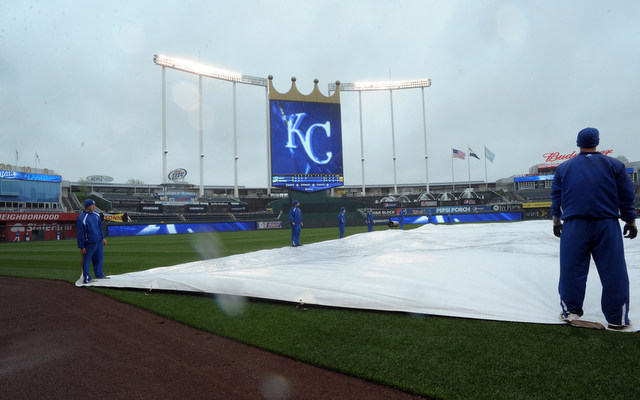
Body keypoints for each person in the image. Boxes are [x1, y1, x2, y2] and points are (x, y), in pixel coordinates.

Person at [551, 127, 637, 330]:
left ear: (578, 143)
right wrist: (630, 221)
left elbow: (556, 197)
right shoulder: (615, 165)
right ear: (597, 142)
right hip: (606, 223)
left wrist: (556, 221)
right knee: (614, 270)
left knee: (571, 269)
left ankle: (571, 311)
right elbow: (626, 195)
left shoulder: (564, 168)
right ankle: (617, 319)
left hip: (574, 224)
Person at [77, 199, 108, 284]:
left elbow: (99, 227)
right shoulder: (81, 218)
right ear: (88, 206)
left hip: (98, 241)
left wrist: (103, 238)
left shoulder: (96, 215)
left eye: (94, 205)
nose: (94, 207)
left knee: (99, 258)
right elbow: (81, 233)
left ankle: (99, 274)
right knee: (86, 261)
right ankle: (86, 278)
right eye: (92, 205)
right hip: (89, 243)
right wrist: (82, 246)